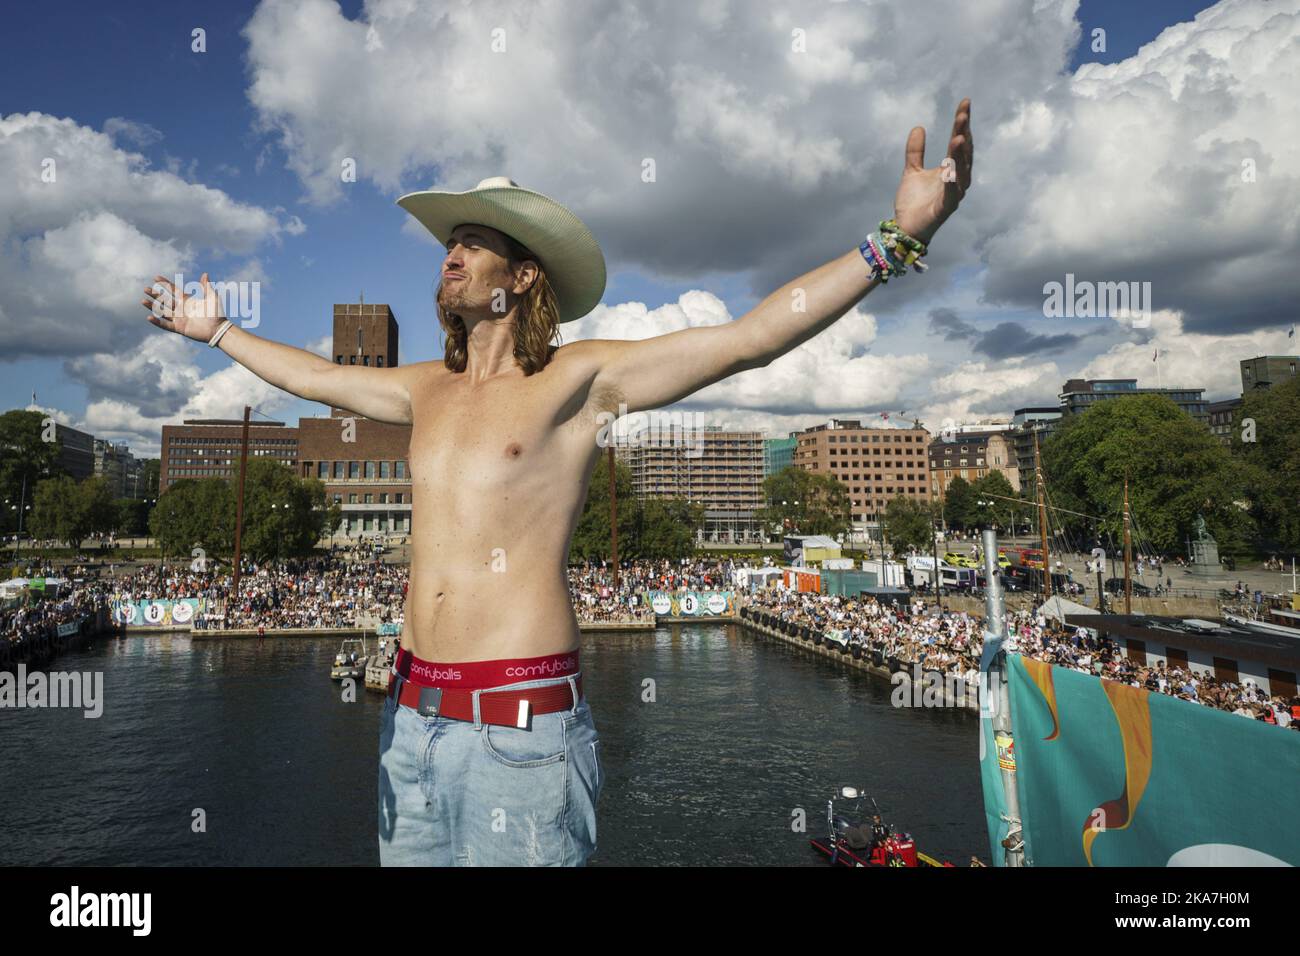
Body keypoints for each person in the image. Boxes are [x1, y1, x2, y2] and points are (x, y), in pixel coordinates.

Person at [141, 102, 974, 867]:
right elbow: (317, 378)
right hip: (407, 725)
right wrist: (217, 330)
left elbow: (748, 339)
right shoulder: (422, 387)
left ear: (524, 274)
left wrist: (893, 241)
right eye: (447, 244)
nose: (450, 255)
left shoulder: (578, 379)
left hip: (523, 734)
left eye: (471, 242)